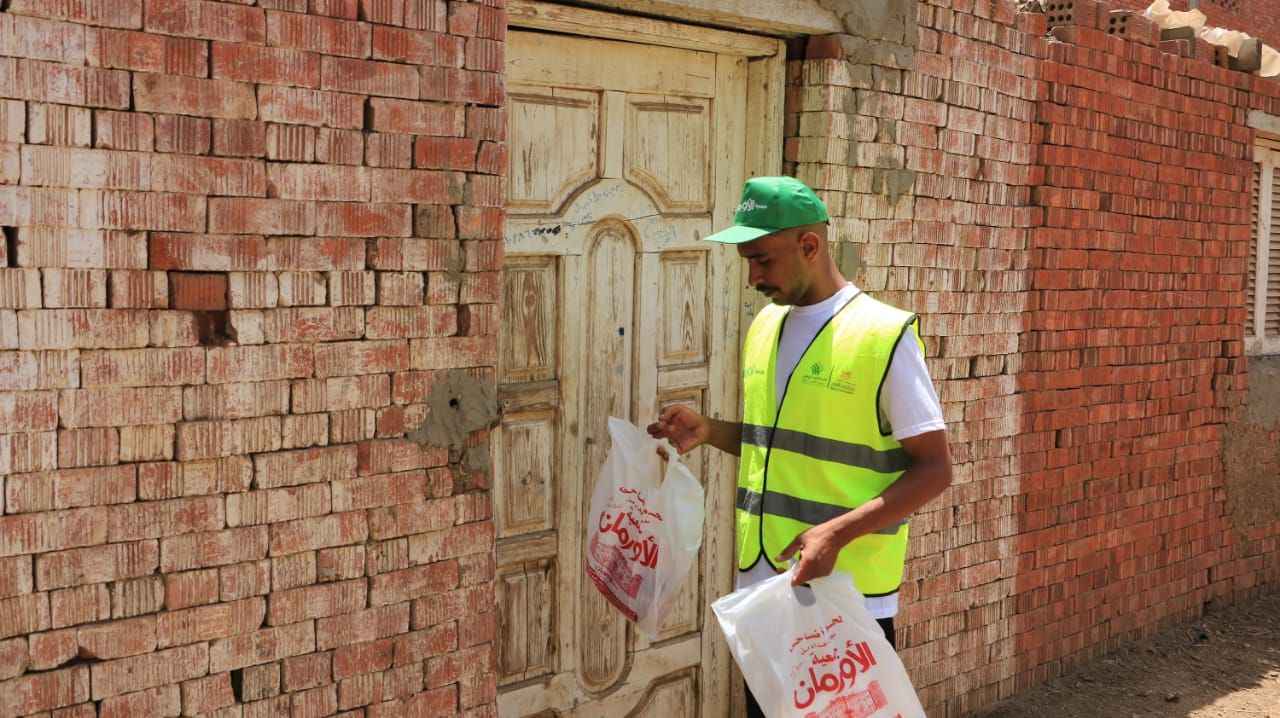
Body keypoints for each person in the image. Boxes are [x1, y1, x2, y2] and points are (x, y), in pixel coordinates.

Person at [646, 176, 953, 718]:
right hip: (768, 593)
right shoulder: (766, 326)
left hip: (847, 596)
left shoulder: (884, 336)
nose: (753, 276)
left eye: (762, 260)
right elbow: (782, 444)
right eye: (746, 261)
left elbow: (935, 469)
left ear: (810, 246)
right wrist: (710, 430)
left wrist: (836, 533)